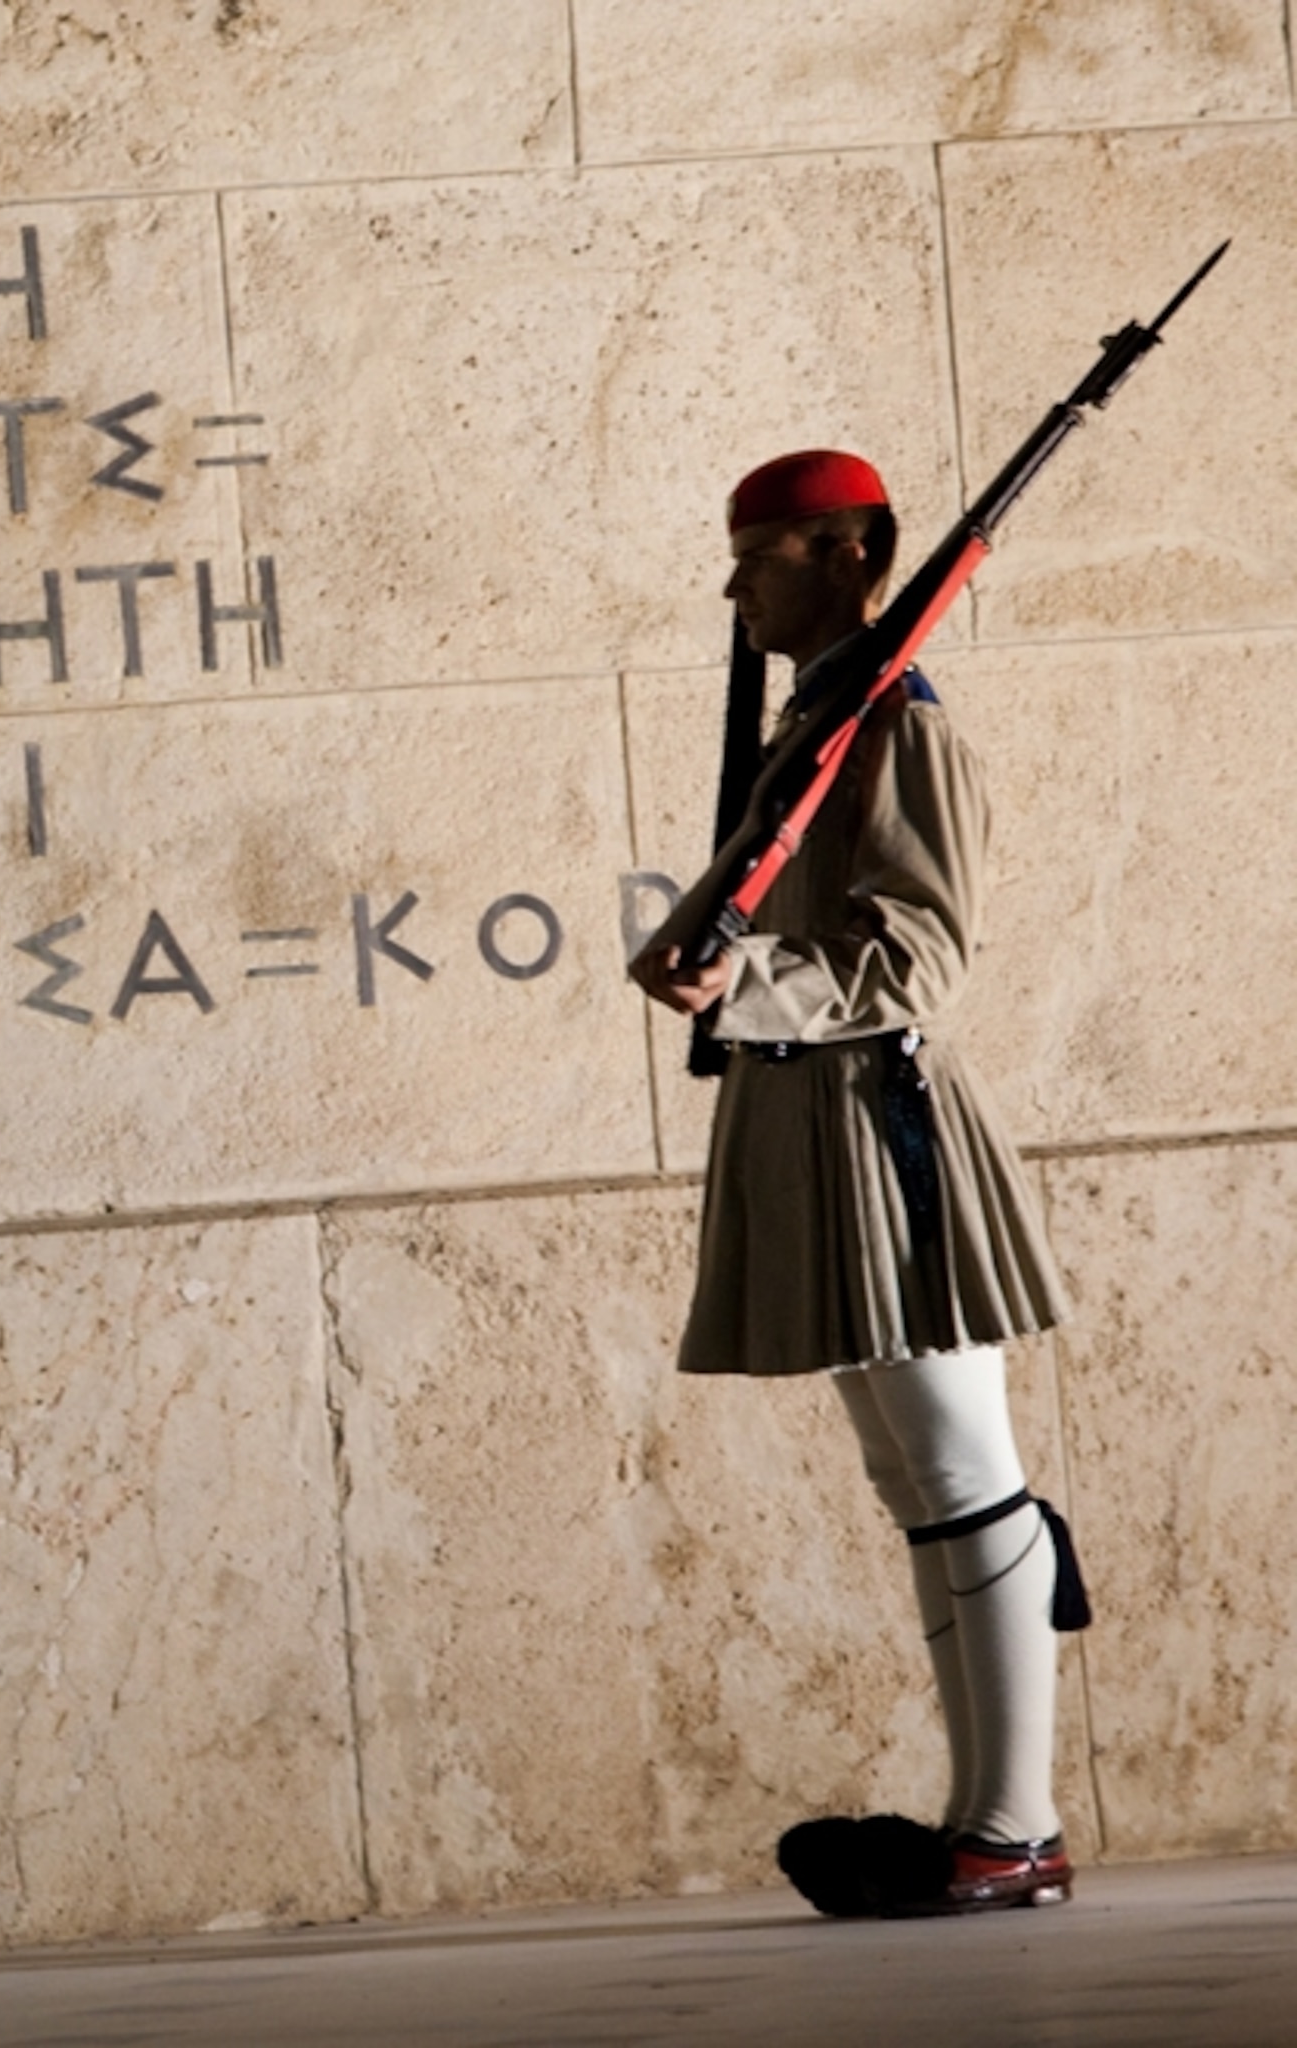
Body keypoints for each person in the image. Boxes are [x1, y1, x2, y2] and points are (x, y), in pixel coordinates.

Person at [631, 449, 1081, 1918]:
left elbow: (921, 958)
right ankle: (985, 1820)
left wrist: (743, 974)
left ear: (843, 553)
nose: (733, 585)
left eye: (757, 556)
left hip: (879, 1117)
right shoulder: (821, 719)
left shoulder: (897, 723)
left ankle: (1013, 1827)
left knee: (962, 1467)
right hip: (804, 1119)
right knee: (915, 1480)